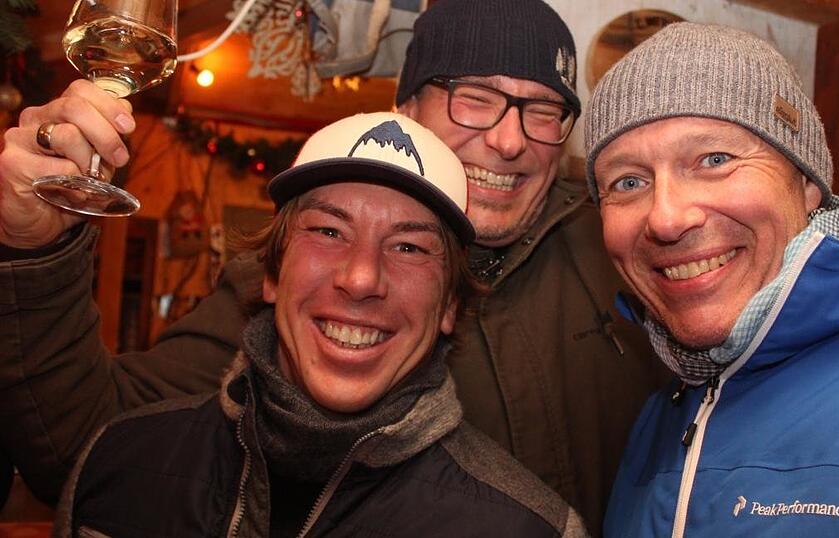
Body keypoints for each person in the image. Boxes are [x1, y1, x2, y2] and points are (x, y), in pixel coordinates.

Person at [0, 0, 666, 533]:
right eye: (474, 98)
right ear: (406, 111)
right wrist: (34, 251)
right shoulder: (302, 279)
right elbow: (88, 450)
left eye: (544, 111)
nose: (510, 139)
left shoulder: (624, 248)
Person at [51, 111, 586, 537]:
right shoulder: (116, 461)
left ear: (448, 306)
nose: (361, 278)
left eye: (408, 246)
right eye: (329, 232)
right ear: (271, 273)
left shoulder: (526, 527)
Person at [583, 22, 839, 537]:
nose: (666, 219)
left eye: (714, 159)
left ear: (806, 183)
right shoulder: (664, 413)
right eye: (628, 181)